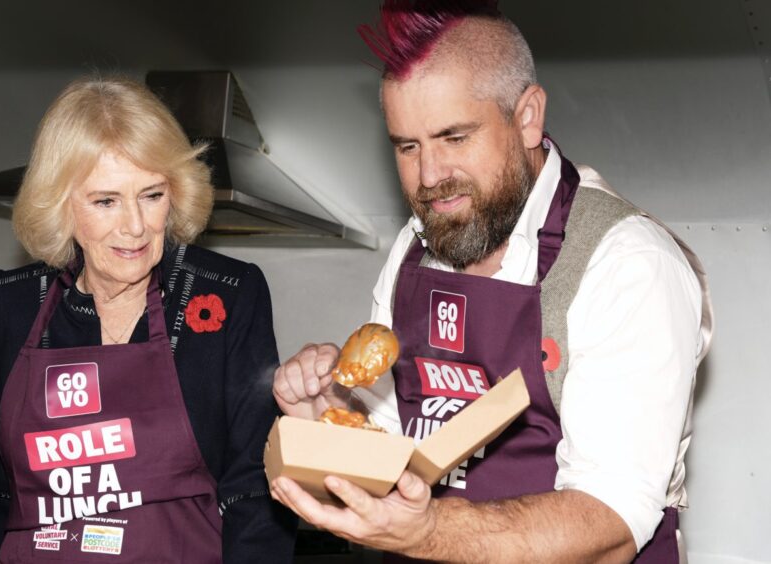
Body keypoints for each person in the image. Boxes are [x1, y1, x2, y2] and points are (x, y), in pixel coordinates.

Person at [271, 1, 712, 562]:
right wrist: (327, 425)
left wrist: (428, 531)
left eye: (454, 138)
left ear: (527, 117)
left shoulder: (624, 261)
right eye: (408, 146)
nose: (429, 176)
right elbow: (390, 456)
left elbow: (611, 527)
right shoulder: (414, 250)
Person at [0, 76, 296, 563]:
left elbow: (253, 489)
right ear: (61, 205)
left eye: (152, 195)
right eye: (105, 201)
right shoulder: (16, 304)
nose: (135, 226)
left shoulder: (225, 296)